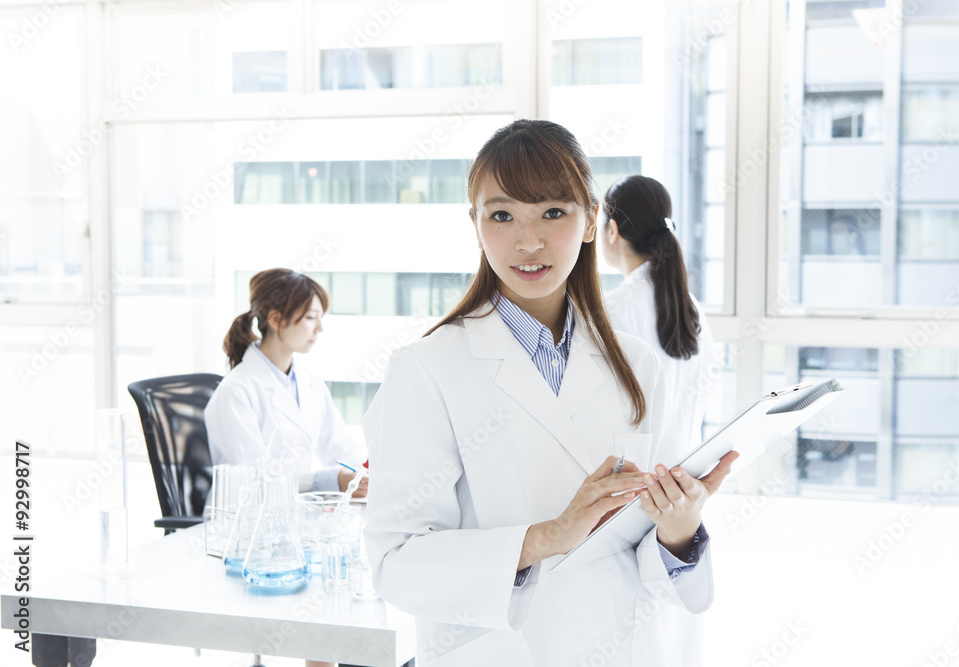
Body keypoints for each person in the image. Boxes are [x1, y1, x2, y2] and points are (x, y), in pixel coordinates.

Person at [363, 120, 737, 666]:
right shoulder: (425, 369)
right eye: (502, 215)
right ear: (476, 225)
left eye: (553, 213)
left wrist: (679, 530)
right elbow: (395, 562)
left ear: (591, 221)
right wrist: (546, 537)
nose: (528, 241)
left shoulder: (636, 365)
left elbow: (651, 563)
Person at [205, 268, 368, 496]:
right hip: (242, 513)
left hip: (293, 511)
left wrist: (367, 470)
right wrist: (330, 480)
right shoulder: (235, 391)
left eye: (320, 318)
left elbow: (340, 447)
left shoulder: (310, 383)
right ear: (276, 320)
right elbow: (255, 476)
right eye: (310, 317)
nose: (320, 328)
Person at [600, 175, 718, 454]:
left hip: (633, 477)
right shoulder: (691, 308)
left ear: (612, 230)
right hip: (685, 473)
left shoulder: (612, 311)